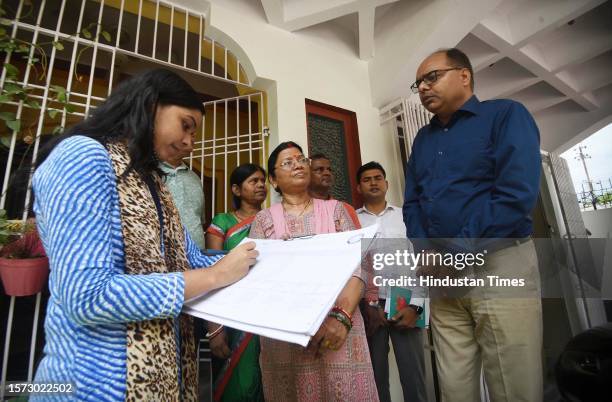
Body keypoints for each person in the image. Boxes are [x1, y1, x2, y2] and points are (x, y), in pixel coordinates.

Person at [31, 69, 258, 401]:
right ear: (151, 105)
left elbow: (190, 256)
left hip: (164, 381)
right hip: (93, 386)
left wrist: (263, 260)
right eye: (186, 125)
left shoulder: (152, 182)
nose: (189, 143)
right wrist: (213, 276)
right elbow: (88, 296)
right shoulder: (82, 156)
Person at [403, 48, 543, 401]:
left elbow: (514, 195)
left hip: (498, 263)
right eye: (418, 83)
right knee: (454, 387)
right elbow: (413, 204)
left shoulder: (506, 115)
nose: (422, 88)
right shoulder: (422, 140)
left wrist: (455, 251)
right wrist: (426, 251)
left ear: (464, 75)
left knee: (514, 385)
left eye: (431, 77)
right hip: (442, 277)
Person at [249, 141, 379, 401]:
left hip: (340, 327)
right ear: (274, 180)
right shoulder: (262, 221)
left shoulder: (337, 211)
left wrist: (341, 317)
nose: (298, 163)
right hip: (286, 336)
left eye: (301, 158)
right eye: (288, 162)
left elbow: (361, 264)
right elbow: (256, 278)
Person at [356, 161, 427, 402]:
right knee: (374, 380)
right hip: (368, 305)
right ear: (358, 187)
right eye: (367, 179)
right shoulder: (352, 222)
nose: (373, 182)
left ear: (386, 184)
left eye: (378, 177)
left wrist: (417, 305)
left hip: (406, 300)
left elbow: (421, 260)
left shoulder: (407, 216)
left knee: (414, 378)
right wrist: (366, 305)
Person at [205, 163, 267, 402]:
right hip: (234, 311)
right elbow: (212, 270)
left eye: (262, 180)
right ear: (236, 189)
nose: (261, 185)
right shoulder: (222, 221)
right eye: (253, 181)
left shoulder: (273, 219)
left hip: (268, 309)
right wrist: (215, 327)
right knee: (240, 382)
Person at [159, 147, 206, 250]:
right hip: (164, 254)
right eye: (185, 131)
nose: (189, 141)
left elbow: (199, 219)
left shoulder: (195, 177)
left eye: (192, 134)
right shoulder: (150, 173)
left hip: (199, 254)